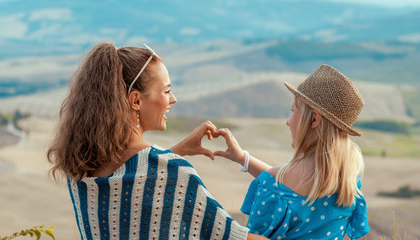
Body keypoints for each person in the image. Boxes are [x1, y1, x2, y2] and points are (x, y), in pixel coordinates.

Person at [47, 42, 268, 240]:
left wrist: (176, 150)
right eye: (166, 90)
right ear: (135, 100)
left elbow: (133, 194)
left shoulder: (78, 168)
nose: (173, 99)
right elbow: (232, 237)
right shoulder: (174, 173)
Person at [213, 64, 370, 239]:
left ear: (314, 119)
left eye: (294, 110)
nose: (288, 121)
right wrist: (243, 158)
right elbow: (283, 184)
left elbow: (280, 186)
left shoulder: (272, 190)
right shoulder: (348, 180)